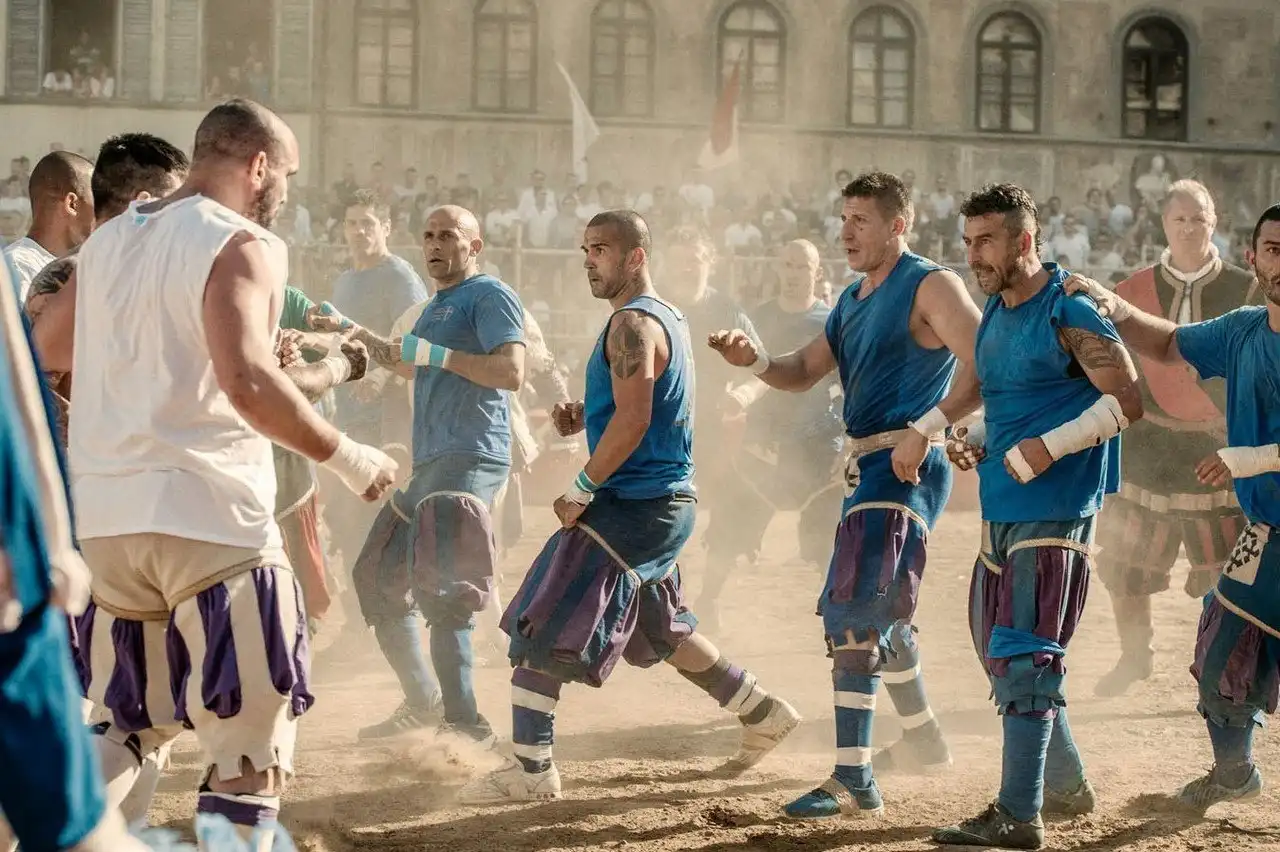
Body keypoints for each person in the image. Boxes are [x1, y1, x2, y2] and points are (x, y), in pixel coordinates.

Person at [68, 99, 397, 846]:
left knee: (127, 725)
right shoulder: (243, 240)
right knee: (251, 744)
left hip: (110, 530)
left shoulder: (111, 237)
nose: (284, 191)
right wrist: (352, 459)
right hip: (212, 524)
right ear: (259, 165)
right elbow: (247, 382)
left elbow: (47, 344)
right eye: (286, 175)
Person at [459, 210, 800, 805]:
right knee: (661, 628)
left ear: (635, 256)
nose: (589, 261)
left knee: (544, 619)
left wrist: (580, 487)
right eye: (585, 249)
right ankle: (763, 712)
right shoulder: (666, 317)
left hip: (634, 505)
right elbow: (638, 406)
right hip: (661, 503)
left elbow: (637, 418)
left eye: (601, 249)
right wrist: (587, 415)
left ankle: (531, 771)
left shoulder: (632, 324)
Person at [710, 172, 981, 819]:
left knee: (855, 611)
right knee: (882, 614)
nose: (846, 232)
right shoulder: (853, 299)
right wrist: (754, 361)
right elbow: (802, 370)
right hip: (869, 467)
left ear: (897, 225)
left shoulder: (930, 284)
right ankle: (924, 740)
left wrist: (928, 426)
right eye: (843, 219)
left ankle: (854, 778)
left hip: (906, 465)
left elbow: (986, 359)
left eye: (861, 220)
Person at [932, 184, 1143, 850]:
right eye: (968, 242)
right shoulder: (995, 313)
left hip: (1056, 509)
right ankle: (1066, 785)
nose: (974, 255)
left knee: (1025, 660)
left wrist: (1048, 448)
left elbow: (1128, 401)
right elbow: (1012, 405)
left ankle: (1019, 815)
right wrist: (977, 438)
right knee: (1000, 653)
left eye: (987, 241)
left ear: (1025, 239)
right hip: (1001, 506)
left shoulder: (1069, 307)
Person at [1064, 204, 1280, 815]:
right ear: (1254, 258)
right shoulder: (1242, 330)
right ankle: (1234, 772)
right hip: (1266, 532)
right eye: (1274, 250)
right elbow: (1166, 342)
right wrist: (1112, 303)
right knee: (1220, 654)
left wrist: (1250, 459)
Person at [317, 205, 525, 745]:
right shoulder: (432, 308)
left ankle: (466, 724)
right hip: (432, 461)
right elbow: (404, 360)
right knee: (377, 574)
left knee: (445, 587)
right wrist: (345, 328)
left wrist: (439, 354)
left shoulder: (489, 294)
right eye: (429, 235)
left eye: (448, 236)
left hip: (472, 455)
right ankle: (425, 703)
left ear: (474, 245)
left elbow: (511, 371)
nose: (434, 244)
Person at [0, 256, 150, 852]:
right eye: (34, 314)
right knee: (124, 726)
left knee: (127, 722)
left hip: (90, 574)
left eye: (49, 315)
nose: (42, 327)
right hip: (55, 583)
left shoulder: (113, 388)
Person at [1093, 181, 1257, 698]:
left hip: (1218, 448)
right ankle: (1134, 655)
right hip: (1147, 447)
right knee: (1125, 563)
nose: (1189, 228)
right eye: (1179, 219)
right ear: (1164, 223)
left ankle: (1220, 667)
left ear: (1215, 222)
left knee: (1226, 571)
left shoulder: (1249, 291)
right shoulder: (1129, 290)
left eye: (1198, 218)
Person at [697, 239, 843, 627]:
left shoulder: (832, 322)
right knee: (730, 521)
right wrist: (732, 395)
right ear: (777, 268)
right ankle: (708, 601)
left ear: (817, 273)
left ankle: (839, 614)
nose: (793, 274)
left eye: (802, 266)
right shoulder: (756, 318)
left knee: (828, 534)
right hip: (763, 444)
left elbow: (849, 383)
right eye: (787, 265)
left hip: (818, 443)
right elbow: (734, 373)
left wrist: (849, 440)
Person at [3, 151, 94, 300]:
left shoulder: (82, 267)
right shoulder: (17, 267)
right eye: (98, 200)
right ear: (72, 204)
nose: (103, 212)